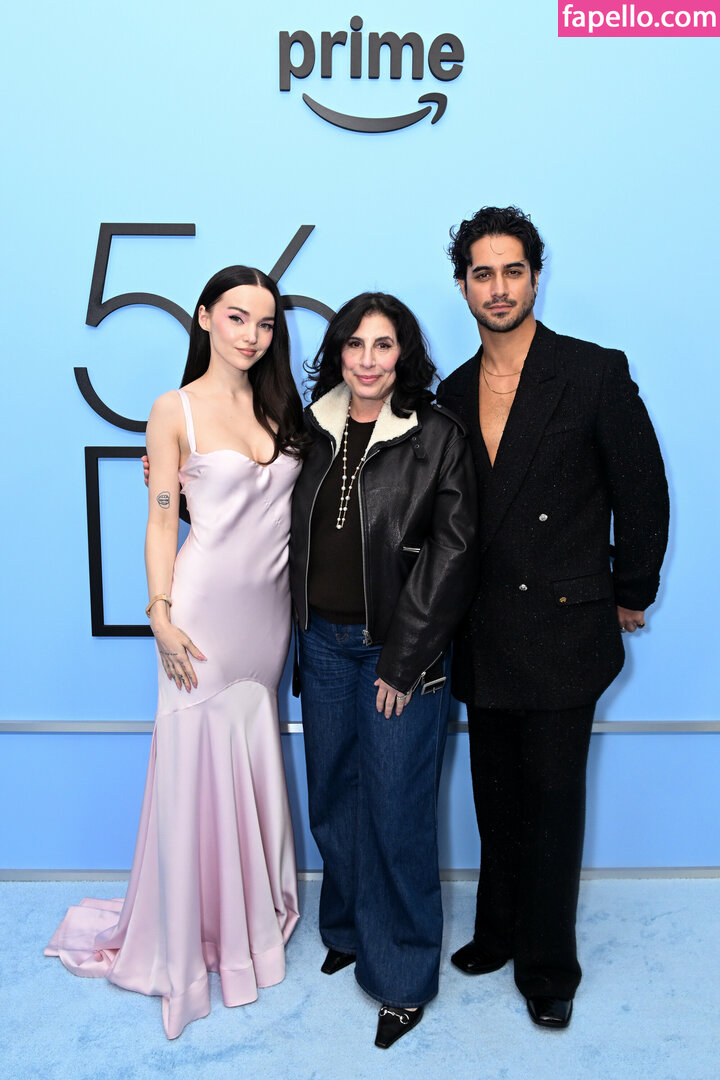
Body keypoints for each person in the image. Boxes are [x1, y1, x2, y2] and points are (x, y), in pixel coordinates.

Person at [46, 266, 308, 1038]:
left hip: (268, 620)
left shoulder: (282, 405)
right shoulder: (175, 409)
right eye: (236, 318)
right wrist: (159, 613)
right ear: (203, 318)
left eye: (265, 323)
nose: (251, 335)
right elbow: (163, 519)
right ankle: (192, 941)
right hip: (199, 615)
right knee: (195, 768)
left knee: (248, 758)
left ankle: (244, 920)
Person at [435, 207, 669, 1029]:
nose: (498, 288)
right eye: (483, 273)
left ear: (535, 277)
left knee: (553, 799)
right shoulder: (451, 390)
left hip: (567, 625)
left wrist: (632, 589)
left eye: (513, 271)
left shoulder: (593, 370)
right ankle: (498, 929)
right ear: (463, 284)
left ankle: (547, 965)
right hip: (481, 627)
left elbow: (642, 488)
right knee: (495, 794)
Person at [289, 292, 478, 1049]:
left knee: (397, 809)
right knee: (333, 794)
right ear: (338, 352)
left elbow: (454, 554)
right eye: (355, 344)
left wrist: (403, 661)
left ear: (405, 355)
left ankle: (401, 976)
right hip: (320, 643)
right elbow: (252, 505)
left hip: (398, 650)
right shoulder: (308, 427)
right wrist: (173, 483)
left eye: (384, 345)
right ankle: (347, 928)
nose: (368, 360)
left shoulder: (437, 435)